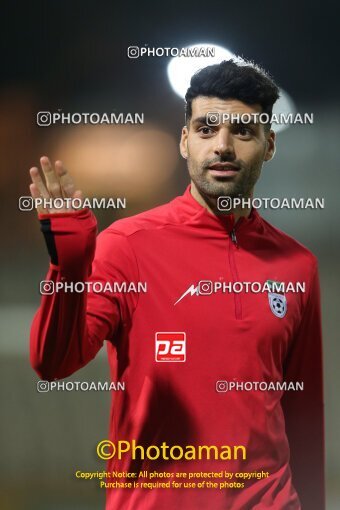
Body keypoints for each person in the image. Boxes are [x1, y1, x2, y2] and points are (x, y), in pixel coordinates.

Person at [29, 59, 325, 509]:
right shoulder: (127, 246)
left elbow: (303, 415)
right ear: (185, 141)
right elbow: (53, 363)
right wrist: (68, 268)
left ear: (269, 146)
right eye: (206, 129)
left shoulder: (297, 264)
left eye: (242, 132)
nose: (222, 146)